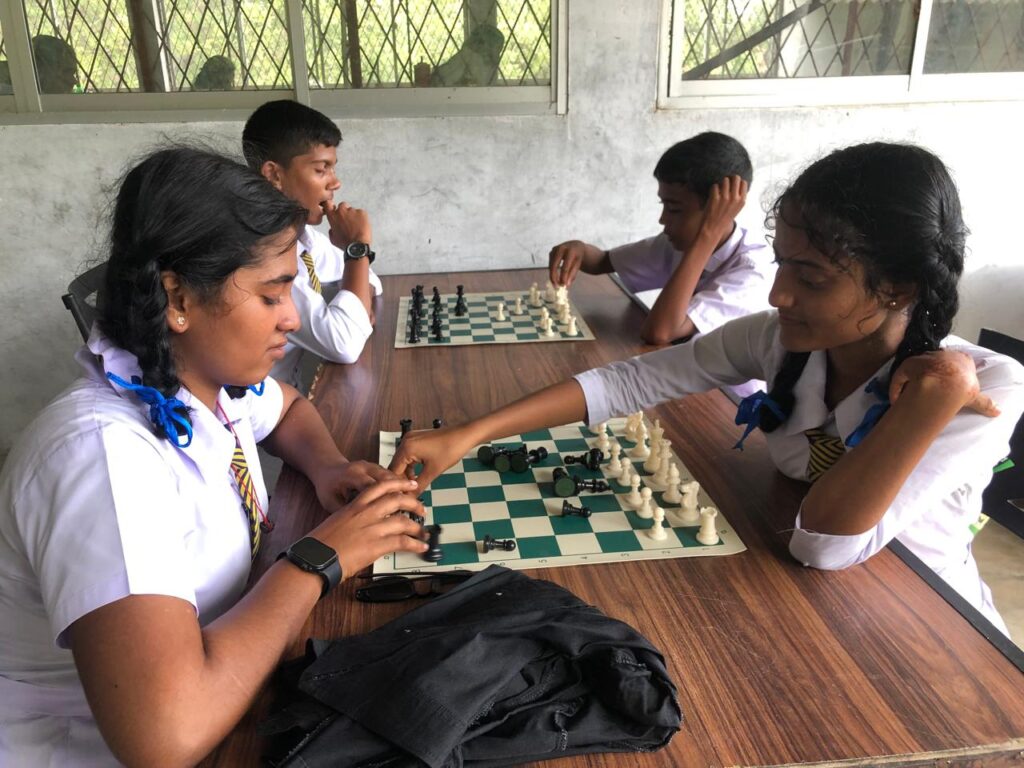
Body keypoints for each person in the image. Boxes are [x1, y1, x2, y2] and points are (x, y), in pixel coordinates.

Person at [394, 142, 1024, 635]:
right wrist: (466, 435)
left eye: (811, 276)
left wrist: (934, 400)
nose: (780, 295)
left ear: (900, 289)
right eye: (780, 264)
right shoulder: (780, 339)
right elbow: (632, 378)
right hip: (781, 598)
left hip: (923, 623)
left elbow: (827, 545)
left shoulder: (988, 388)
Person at [0, 147, 428, 766]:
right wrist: (318, 558)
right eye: (272, 294)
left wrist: (329, 466)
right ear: (177, 298)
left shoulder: (192, 382)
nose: (290, 319)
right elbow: (165, 736)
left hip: (232, 690)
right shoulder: (102, 459)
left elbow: (286, 408)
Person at [548, 132, 773, 347]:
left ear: (719, 208)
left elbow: (660, 332)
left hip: (728, 388)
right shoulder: (675, 245)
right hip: (682, 370)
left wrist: (708, 235)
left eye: (674, 209)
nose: (663, 219)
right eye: (663, 205)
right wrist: (579, 249)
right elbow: (602, 262)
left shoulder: (751, 274)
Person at [243, 99, 382, 388]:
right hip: (251, 419)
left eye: (333, 168)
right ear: (274, 175)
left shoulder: (304, 237)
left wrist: (356, 267)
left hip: (289, 400)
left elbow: (373, 283)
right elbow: (345, 344)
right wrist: (356, 246)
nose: (335, 183)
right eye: (322, 169)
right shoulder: (263, 253)